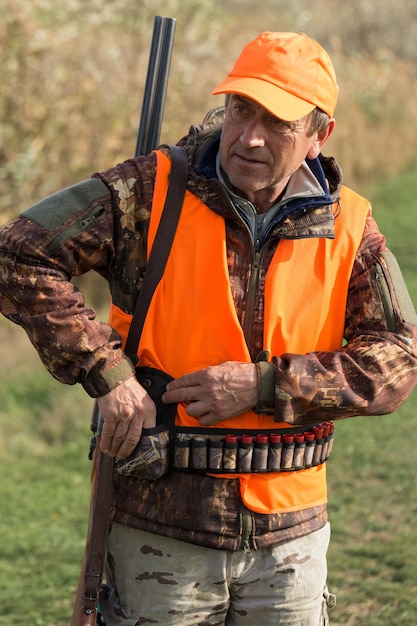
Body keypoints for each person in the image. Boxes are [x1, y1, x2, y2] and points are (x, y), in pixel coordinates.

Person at [1, 31, 417, 626]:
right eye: (241, 109)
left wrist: (266, 386)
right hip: (161, 527)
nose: (248, 136)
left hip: (290, 539)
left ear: (318, 135)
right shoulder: (150, 189)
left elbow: (400, 358)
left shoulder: (349, 225)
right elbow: (18, 254)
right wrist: (106, 371)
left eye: (277, 122)